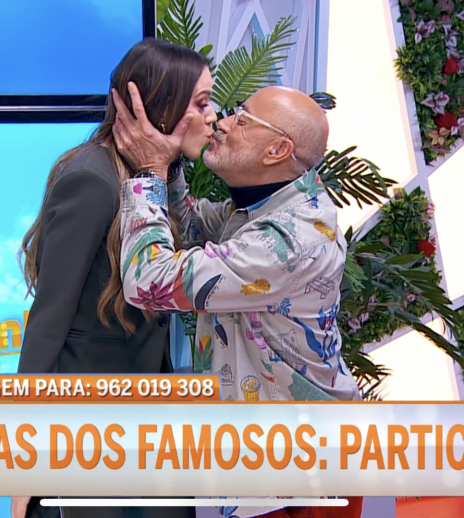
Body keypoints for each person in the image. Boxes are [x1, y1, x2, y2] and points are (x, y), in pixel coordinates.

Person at [110, 84, 365, 518]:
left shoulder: (288, 242)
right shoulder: (267, 205)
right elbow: (192, 229)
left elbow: (148, 279)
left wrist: (149, 171)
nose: (221, 122)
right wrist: (170, 162)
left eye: (242, 119)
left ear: (277, 150)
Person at [11, 38, 215, 518]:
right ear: (159, 106)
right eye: (201, 103)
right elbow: (49, 320)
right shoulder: (93, 179)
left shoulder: (153, 177)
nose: (213, 117)